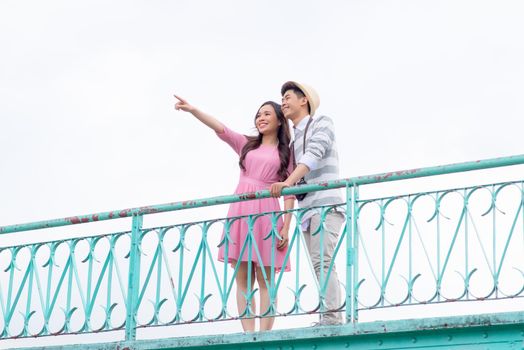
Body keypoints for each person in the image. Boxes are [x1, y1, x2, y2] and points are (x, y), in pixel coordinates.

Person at [174, 95, 295, 332]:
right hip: (241, 211)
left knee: (266, 279)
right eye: (259, 114)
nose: (261, 118)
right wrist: (193, 110)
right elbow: (221, 129)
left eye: (267, 114)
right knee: (243, 278)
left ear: (280, 120)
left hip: (268, 213)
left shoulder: (286, 153)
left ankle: (264, 335)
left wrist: (286, 226)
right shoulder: (247, 144)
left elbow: (289, 193)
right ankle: (248, 334)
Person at [269, 81, 344, 325]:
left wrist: (288, 182)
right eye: (282, 98)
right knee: (318, 262)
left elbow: (315, 153)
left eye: (288, 97)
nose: (283, 102)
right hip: (307, 210)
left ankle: (332, 317)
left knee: (323, 260)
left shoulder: (321, 123)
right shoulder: (292, 143)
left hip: (326, 205)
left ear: (304, 100)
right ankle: (329, 313)